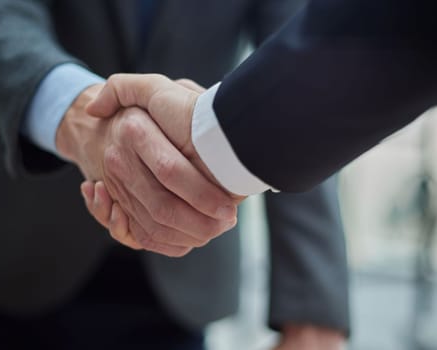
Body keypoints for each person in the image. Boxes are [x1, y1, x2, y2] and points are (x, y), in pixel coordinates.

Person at [0, 0, 348, 349]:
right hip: (18, 250)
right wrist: (81, 116)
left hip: (181, 275)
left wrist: (312, 316)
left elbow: (298, 87)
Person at [79, 0, 437, 253]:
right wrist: (76, 117)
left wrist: (311, 316)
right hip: (37, 243)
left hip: (191, 272)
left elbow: (302, 37)